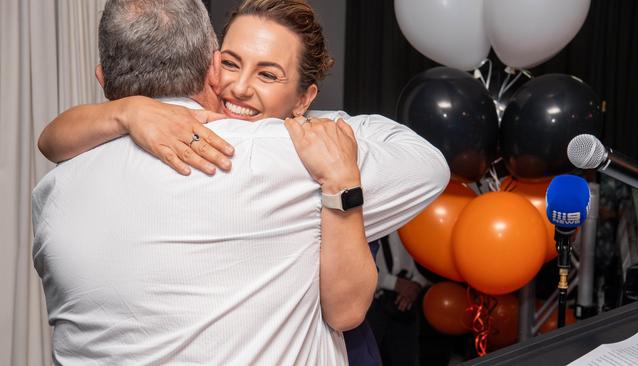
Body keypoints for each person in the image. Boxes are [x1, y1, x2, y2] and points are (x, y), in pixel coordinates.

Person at [33, 0, 449, 364]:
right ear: (211, 64)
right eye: (230, 63)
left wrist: (125, 111)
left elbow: (346, 311)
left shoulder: (54, 189)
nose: (239, 87)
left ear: (305, 99)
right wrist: (128, 112)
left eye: (268, 75)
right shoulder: (277, 158)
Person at [367, 232, 430, 366]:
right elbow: (355, 269)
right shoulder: (366, 226)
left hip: (407, 302)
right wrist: (394, 283)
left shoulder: (409, 225)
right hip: (370, 305)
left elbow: (428, 258)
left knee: (406, 358)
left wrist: (416, 284)